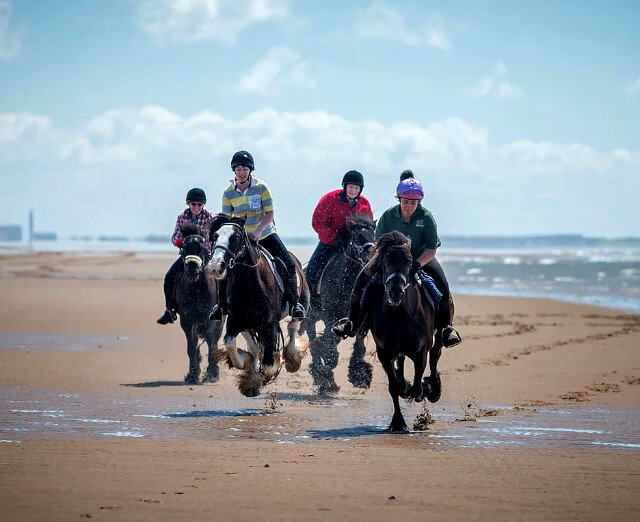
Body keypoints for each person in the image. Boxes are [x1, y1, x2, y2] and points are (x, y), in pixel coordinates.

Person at [333, 174, 462, 348]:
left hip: (420, 258)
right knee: (362, 279)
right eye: (405, 201)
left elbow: (431, 249)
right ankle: (352, 321)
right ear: (399, 199)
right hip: (391, 259)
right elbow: (378, 245)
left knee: (442, 284)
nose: (409, 206)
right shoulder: (388, 216)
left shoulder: (427, 218)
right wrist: (384, 261)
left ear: (419, 202)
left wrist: (416, 264)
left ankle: (446, 328)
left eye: (413, 203)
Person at [213, 150, 305, 320]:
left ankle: (294, 303)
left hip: (265, 234)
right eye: (238, 169)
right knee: (225, 267)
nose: (241, 172)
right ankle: (221, 305)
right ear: (234, 171)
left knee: (288, 264)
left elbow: (269, 214)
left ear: (250, 170)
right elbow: (227, 219)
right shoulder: (228, 192)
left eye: (244, 169)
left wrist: (258, 231)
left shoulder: (261, 188)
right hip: (241, 239)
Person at [306, 170, 373, 304]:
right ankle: (309, 303)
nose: (353, 191)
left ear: (360, 189)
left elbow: (369, 226)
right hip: (331, 243)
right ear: (345, 186)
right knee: (312, 270)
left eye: (356, 188)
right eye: (351, 187)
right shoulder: (329, 198)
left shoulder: (364, 203)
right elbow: (317, 222)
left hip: (356, 246)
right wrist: (334, 237)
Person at [157, 187, 214, 324]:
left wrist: (201, 244)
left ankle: (224, 307)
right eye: (193, 204)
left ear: (203, 205)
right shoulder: (181, 217)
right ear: (189, 204)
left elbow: (214, 237)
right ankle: (170, 310)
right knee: (169, 276)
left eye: (199, 204)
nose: (196, 207)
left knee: (223, 277)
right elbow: (175, 236)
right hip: (187, 256)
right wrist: (183, 243)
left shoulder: (210, 217)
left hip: (205, 255)